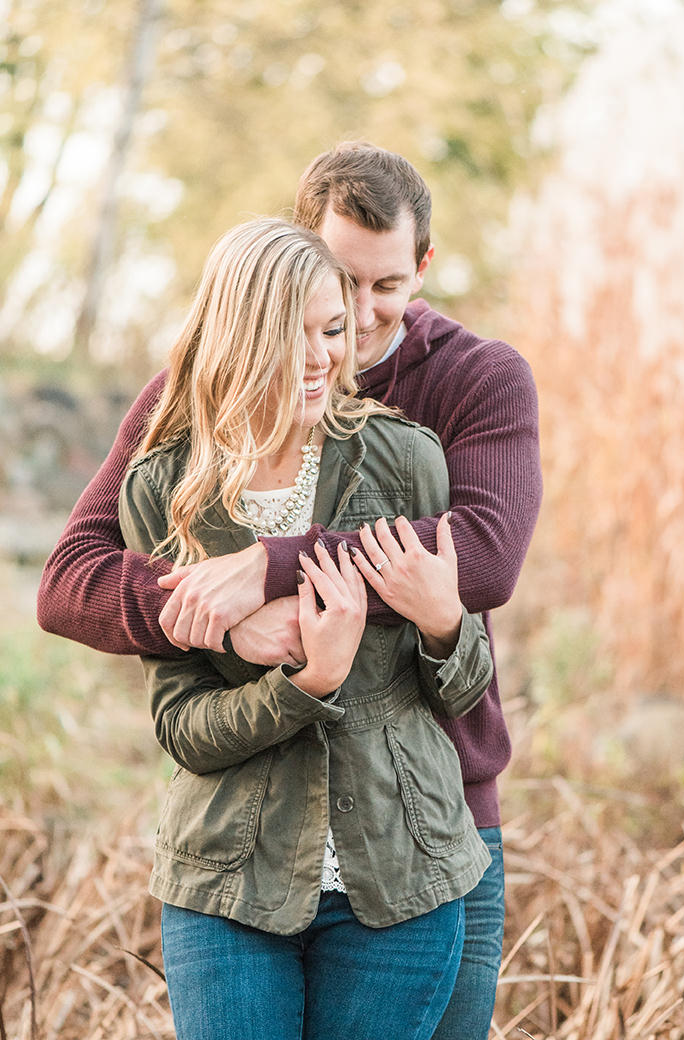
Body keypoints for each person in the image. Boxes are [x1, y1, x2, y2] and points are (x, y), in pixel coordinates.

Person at [38, 142, 543, 1039]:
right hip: (248, 827)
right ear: (292, 255)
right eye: (336, 285)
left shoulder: (470, 383)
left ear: (422, 264)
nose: (356, 317)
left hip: (434, 808)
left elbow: (484, 561)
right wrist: (221, 621)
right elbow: (70, 577)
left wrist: (271, 567)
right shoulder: (184, 413)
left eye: (385, 286)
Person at [118, 217, 494, 1039]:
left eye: (333, 331)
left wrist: (441, 625)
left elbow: (463, 690)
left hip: (400, 875)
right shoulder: (162, 488)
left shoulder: (404, 462)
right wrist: (305, 686)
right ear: (239, 335)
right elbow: (182, 727)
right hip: (228, 883)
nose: (325, 356)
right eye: (296, 335)